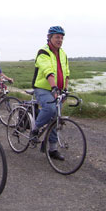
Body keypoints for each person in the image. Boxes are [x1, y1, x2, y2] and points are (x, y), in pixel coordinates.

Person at [31, 25, 70, 161]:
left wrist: (65, 89)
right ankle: (35, 128)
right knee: (50, 108)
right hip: (42, 87)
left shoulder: (63, 53)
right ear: (50, 38)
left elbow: (66, 74)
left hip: (57, 89)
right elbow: (48, 71)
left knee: (56, 117)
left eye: (61, 37)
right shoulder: (43, 52)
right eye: (56, 37)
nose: (59, 40)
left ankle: (52, 149)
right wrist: (54, 87)